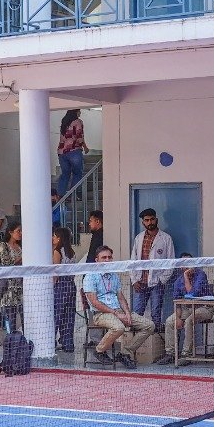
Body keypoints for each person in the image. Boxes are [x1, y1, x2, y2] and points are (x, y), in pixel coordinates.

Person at [83, 245, 155, 368]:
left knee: (149, 325)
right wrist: (116, 314)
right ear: (96, 260)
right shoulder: (90, 276)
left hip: (119, 311)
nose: (107, 260)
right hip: (100, 314)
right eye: (104, 257)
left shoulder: (114, 276)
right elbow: (94, 302)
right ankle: (99, 350)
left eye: (109, 257)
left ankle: (125, 353)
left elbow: (121, 297)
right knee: (119, 328)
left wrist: (127, 313)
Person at [130, 207, 175, 328]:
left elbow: (171, 262)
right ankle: (137, 339)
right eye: (146, 220)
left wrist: (162, 280)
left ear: (156, 220)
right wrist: (134, 280)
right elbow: (133, 261)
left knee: (156, 313)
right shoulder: (139, 238)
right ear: (143, 222)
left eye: (152, 219)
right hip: (140, 282)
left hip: (157, 282)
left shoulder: (166, 238)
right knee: (137, 314)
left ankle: (156, 339)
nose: (150, 222)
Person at [164, 260, 213, 362]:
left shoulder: (201, 275)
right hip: (187, 309)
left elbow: (192, 294)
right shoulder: (178, 281)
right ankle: (170, 354)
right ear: (181, 267)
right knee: (169, 321)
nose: (187, 267)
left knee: (189, 321)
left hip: (204, 308)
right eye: (185, 265)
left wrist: (186, 276)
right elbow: (177, 302)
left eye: (190, 263)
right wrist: (178, 318)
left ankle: (186, 354)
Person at [52, 225, 79, 353]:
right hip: (71, 285)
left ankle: (50, 341)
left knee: (57, 314)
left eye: (54, 236)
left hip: (61, 285)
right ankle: (68, 343)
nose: (52, 238)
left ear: (59, 238)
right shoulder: (71, 251)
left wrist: (52, 285)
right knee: (69, 315)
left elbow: (56, 272)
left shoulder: (57, 251)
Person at [0, 222, 25, 333]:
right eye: (18, 231)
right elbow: (6, 263)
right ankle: (12, 340)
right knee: (11, 318)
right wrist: (22, 258)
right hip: (9, 286)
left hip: (22, 284)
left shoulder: (21, 246)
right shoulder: (3, 245)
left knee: (24, 316)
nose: (20, 233)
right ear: (10, 232)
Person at [57, 108, 87, 198]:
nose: (80, 112)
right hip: (74, 151)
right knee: (77, 173)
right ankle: (74, 195)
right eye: (79, 111)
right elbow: (79, 136)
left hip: (62, 153)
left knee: (65, 175)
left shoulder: (64, 123)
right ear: (76, 112)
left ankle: (60, 196)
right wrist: (85, 147)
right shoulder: (78, 122)